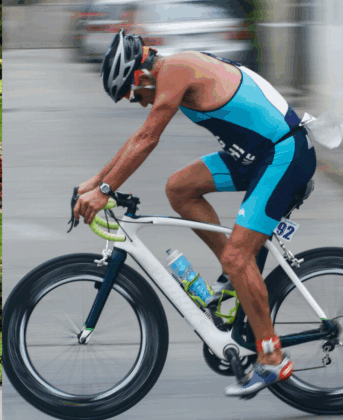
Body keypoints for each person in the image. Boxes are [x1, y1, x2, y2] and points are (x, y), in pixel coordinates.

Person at [72, 30, 314, 398]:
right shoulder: (172, 72)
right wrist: (96, 180)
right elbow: (138, 137)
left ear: (141, 77)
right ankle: (236, 275)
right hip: (254, 154)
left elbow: (147, 138)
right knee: (179, 188)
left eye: (134, 96)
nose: (139, 104)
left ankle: (272, 357)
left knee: (238, 255)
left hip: (283, 153)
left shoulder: (177, 68)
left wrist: (104, 190)